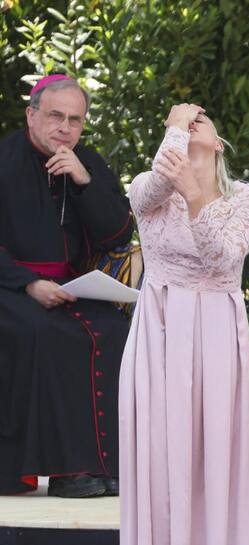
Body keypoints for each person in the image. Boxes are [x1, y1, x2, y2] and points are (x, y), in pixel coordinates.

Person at [119, 104, 249, 544]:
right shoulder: (149, 189)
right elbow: (156, 185)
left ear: (219, 145)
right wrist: (174, 126)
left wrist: (196, 195)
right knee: (160, 449)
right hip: (159, 329)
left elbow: (223, 256)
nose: (194, 119)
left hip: (217, 329)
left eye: (202, 120)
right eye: (187, 122)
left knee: (217, 444)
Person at [0, 74, 134, 498]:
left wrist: (84, 183)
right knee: (42, 332)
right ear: (31, 114)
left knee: (112, 329)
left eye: (75, 120)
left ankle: (103, 467)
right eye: (56, 116)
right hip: (9, 285)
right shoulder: (3, 159)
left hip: (72, 286)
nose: (65, 127)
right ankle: (67, 471)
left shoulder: (87, 161)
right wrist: (29, 284)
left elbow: (117, 237)